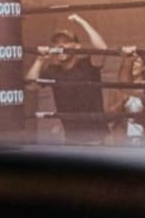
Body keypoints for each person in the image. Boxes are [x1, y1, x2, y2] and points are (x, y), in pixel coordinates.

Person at [25, 14, 108, 144]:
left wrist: (81, 21)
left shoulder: (87, 65)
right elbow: (30, 85)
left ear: (77, 46)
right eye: (57, 43)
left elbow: (102, 49)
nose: (60, 46)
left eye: (66, 42)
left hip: (97, 138)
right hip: (71, 139)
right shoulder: (53, 70)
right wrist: (40, 59)